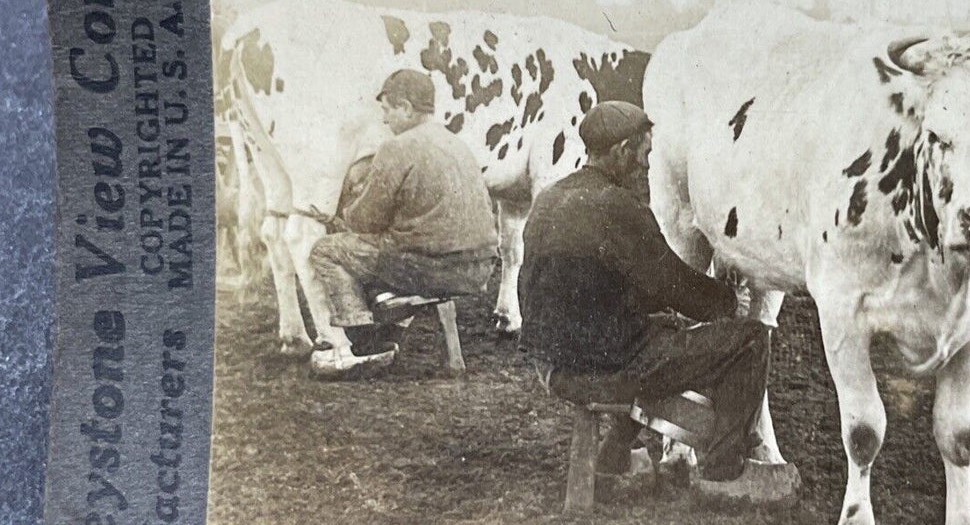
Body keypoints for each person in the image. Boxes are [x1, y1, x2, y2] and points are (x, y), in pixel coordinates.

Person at [518, 99, 771, 498]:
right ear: (622, 153)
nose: (648, 167)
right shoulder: (619, 207)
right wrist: (728, 301)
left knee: (652, 332)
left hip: (551, 362)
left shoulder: (550, 199)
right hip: (602, 367)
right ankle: (725, 473)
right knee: (750, 340)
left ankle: (614, 458)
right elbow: (675, 286)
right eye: (645, 155)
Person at [309, 69, 497, 378]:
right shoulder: (458, 144)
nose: (384, 120)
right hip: (478, 268)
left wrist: (337, 215)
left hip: (426, 268)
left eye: (387, 110)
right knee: (389, 246)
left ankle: (361, 347)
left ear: (407, 108)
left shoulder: (396, 148)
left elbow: (365, 221)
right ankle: (389, 335)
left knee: (326, 250)